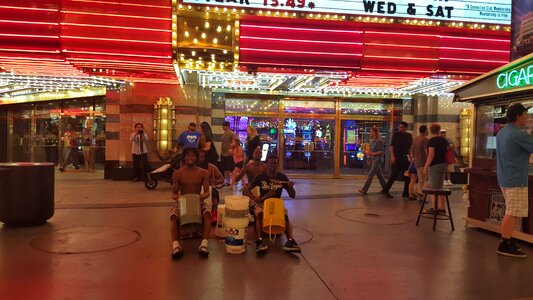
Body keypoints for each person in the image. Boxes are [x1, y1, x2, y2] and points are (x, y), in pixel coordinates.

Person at [496, 103, 533, 258]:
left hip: (505, 176)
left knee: (512, 210)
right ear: (518, 115)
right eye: (525, 114)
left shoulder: (502, 133)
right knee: (512, 212)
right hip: (516, 178)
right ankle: (504, 243)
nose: (527, 117)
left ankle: (508, 239)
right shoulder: (518, 133)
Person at [245, 155, 301, 255]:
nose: (272, 165)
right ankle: (260, 241)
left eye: (275, 163)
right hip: (263, 203)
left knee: (285, 216)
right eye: (270, 163)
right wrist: (256, 199)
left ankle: (290, 241)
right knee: (259, 214)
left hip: (276, 204)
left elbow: (292, 196)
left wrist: (291, 187)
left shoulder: (282, 177)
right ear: (267, 164)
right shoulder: (260, 177)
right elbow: (246, 190)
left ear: (277, 164)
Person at [170, 148, 211, 258]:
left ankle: (204, 244)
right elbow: (174, 194)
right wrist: (179, 199)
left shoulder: (203, 173)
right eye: (188, 156)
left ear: (196, 158)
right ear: (184, 158)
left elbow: (207, 192)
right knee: (174, 216)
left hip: (198, 201)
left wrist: (201, 197)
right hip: (183, 203)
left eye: (193, 156)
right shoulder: (177, 174)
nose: (190, 158)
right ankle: (176, 245)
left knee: (207, 213)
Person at [381, 121, 413, 198]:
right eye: (399, 127)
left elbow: (409, 148)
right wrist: (392, 156)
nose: (400, 128)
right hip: (397, 157)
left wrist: (411, 157)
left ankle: (406, 192)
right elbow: (391, 146)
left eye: (401, 127)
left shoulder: (409, 136)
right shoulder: (396, 135)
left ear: (405, 128)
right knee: (394, 175)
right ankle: (385, 190)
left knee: (407, 175)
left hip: (405, 157)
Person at [423, 123, 449, 214]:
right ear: (439, 130)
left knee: (433, 188)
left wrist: (426, 166)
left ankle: (435, 208)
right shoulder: (444, 140)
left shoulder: (432, 141)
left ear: (431, 130)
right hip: (443, 164)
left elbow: (431, 155)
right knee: (440, 187)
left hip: (435, 165)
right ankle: (442, 208)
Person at [358, 127, 387, 195]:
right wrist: (367, 153)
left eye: (371, 131)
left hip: (377, 161)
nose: (370, 133)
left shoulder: (378, 141)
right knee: (380, 176)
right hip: (374, 160)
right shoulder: (374, 141)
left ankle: (364, 189)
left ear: (375, 132)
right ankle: (386, 188)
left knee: (370, 175)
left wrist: (372, 153)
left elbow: (382, 151)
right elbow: (372, 151)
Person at [413, 125, 429, 201]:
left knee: (420, 178)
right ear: (425, 131)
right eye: (427, 130)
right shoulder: (425, 140)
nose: (428, 131)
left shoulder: (416, 139)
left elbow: (412, 150)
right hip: (423, 162)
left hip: (417, 162)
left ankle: (419, 196)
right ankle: (419, 193)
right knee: (424, 179)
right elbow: (427, 152)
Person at [220, 121, 237, 186]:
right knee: (225, 169)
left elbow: (236, 142)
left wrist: (232, 150)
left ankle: (234, 180)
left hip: (229, 154)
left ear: (227, 126)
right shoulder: (223, 134)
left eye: (224, 126)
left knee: (231, 168)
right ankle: (228, 181)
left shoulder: (232, 134)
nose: (223, 127)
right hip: (223, 153)